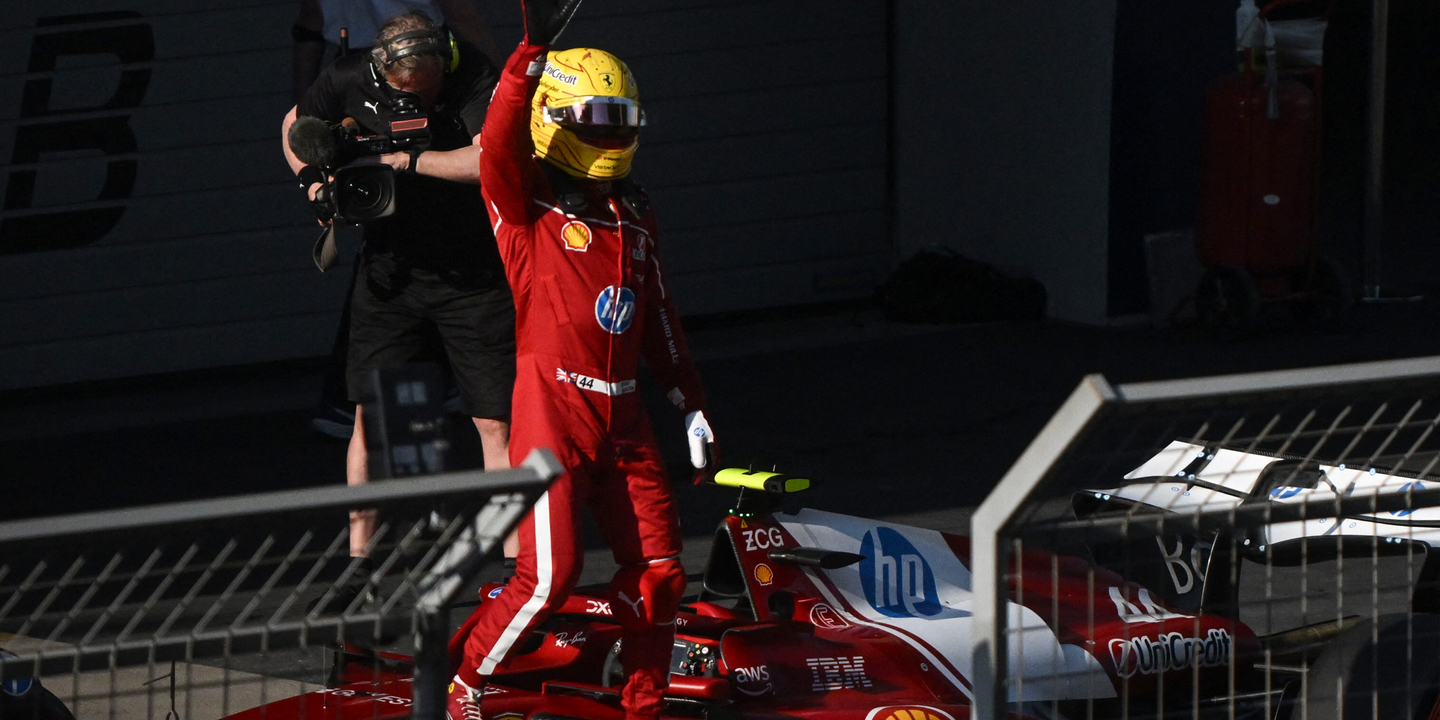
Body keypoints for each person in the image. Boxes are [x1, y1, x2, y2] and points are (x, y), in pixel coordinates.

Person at [445, 2, 718, 719]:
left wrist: (689, 400)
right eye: (595, 120)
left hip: (624, 415)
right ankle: (464, 687)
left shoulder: (633, 213)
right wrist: (528, 53)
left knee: (662, 573)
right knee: (547, 577)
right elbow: (498, 145)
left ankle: (644, 704)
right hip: (552, 408)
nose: (611, 135)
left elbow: (657, 313)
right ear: (555, 121)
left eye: (621, 121)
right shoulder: (525, 207)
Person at [280, 9, 516, 591]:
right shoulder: (351, 74)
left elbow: (491, 160)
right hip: (391, 270)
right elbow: (295, 123)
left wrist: (406, 161)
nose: (421, 98)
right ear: (383, 73)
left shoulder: (473, 75)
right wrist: (313, 181)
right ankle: (358, 563)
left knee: (496, 422)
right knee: (372, 415)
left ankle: (517, 565)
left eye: (430, 88)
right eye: (410, 91)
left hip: (473, 273)